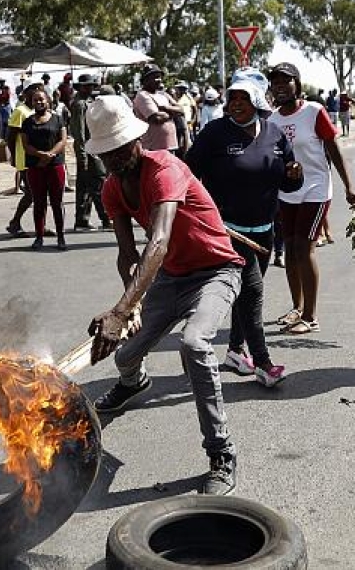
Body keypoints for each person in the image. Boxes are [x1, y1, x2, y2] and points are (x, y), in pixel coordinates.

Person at [85, 95, 244, 496]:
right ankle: (134, 381)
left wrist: (122, 310)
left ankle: (221, 453)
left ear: (136, 140)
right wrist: (131, 305)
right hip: (168, 279)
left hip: (215, 272)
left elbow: (158, 242)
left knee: (194, 344)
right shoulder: (111, 189)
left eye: (119, 149)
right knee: (123, 354)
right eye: (105, 154)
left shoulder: (165, 169)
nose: (114, 159)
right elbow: (128, 254)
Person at [187, 68, 302, 387]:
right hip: (228, 230)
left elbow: (288, 186)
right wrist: (200, 213)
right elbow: (186, 174)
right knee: (253, 291)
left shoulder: (274, 134)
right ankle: (264, 363)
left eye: (243, 98)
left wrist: (295, 176)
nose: (235, 103)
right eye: (232, 97)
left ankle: (236, 350)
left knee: (245, 294)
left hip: (265, 229)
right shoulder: (214, 133)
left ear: (256, 101)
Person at [266, 63, 355, 334]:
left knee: (305, 248)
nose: (281, 87)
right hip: (287, 193)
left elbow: (333, 148)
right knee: (291, 250)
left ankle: (311, 316)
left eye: (286, 82)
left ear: (298, 84)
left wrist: (348, 185)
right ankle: (297, 307)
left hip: (315, 190)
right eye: (276, 83)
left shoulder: (314, 112)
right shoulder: (271, 121)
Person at [21, 89, 68, 251]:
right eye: (35, 100)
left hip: (55, 166)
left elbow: (63, 140)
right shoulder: (27, 122)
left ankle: (61, 237)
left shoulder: (58, 119)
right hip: (35, 167)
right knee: (39, 202)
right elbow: (25, 145)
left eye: (41, 99)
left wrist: (51, 154)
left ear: (47, 101)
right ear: (31, 103)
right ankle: (39, 237)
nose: (39, 102)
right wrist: (40, 155)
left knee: (57, 202)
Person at [69, 73, 110, 231]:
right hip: (88, 150)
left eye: (91, 86)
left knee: (86, 187)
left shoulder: (90, 102)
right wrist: (83, 155)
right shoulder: (79, 104)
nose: (89, 88)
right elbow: (79, 132)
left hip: (94, 148)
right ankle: (105, 218)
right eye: (86, 86)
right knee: (98, 184)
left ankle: (82, 219)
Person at [5, 78, 45, 236]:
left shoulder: (35, 111)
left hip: (38, 158)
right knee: (31, 193)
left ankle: (40, 226)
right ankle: (15, 222)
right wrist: (14, 157)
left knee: (40, 193)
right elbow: (10, 136)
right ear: (26, 92)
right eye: (35, 88)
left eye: (40, 88)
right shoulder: (20, 111)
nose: (38, 91)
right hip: (25, 159)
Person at [132, 65, 181, 154]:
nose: (158, 80)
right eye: (154, 77)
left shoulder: (163, 94)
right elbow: (156, 118)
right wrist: (174, 113)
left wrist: (166, 108)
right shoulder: (143, 96)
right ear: (145, 80)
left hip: (170, 146)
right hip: (154, 149)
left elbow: (181, 109)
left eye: (159, 77)